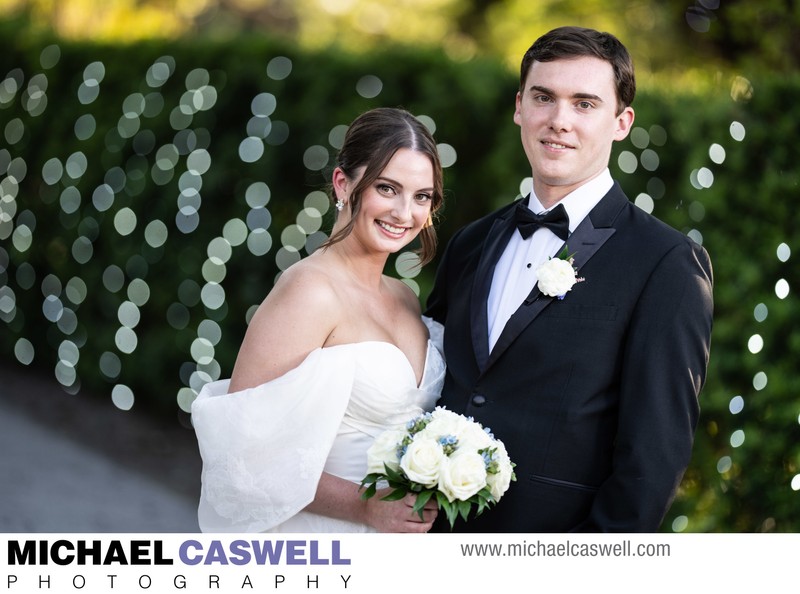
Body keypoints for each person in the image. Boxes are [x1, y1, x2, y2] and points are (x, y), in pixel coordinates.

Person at [426, 26, 714, 532]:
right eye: (544, 98)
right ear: (519, 106)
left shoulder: (666, 262)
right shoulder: (470, 243)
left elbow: (652, 458)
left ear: (621, 122)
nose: (559, 121)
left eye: (584, 104)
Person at [191, 107, 446, 533]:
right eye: (387, 188)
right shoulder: (309, 290)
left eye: (422, 196)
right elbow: (240, 453)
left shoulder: (405, 297)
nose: (405, 213)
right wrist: (364, 508)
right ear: (343, 184)